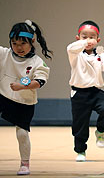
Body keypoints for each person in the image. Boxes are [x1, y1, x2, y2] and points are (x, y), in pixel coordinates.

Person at [0, 20, 52, 175]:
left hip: (24, 101)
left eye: (23, 43)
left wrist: (23, 86)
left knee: (22, 133)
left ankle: (25, 164)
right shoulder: (4, 54)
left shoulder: (37, 62)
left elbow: (39, 81)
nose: (18, 47)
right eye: (14, 43)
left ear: (32, 41)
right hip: (2, 95)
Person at [67, 20, 104, 162]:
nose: (88, 40)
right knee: (80, 124)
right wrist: (84, 43)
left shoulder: (101, 55)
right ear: (78, 38)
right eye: (84, 36)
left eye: (92, 37)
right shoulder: (75, 54)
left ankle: (100, 131)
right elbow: (70, 48)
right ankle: (81, 151)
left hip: (96, 92)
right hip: (79, 93)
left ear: (98, 40)